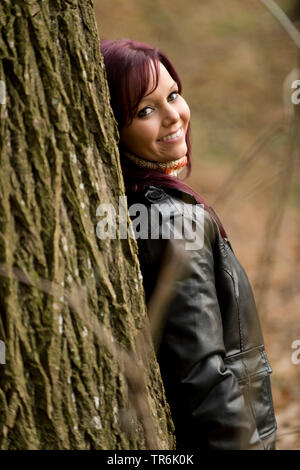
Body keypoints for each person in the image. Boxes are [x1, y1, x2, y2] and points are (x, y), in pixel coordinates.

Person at [100, 38, 277, 450]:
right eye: (145, 110)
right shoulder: (172, 219)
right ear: (113, 124)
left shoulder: (148, 206)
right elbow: (202, 374)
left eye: (173, 95)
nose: (172, 117)